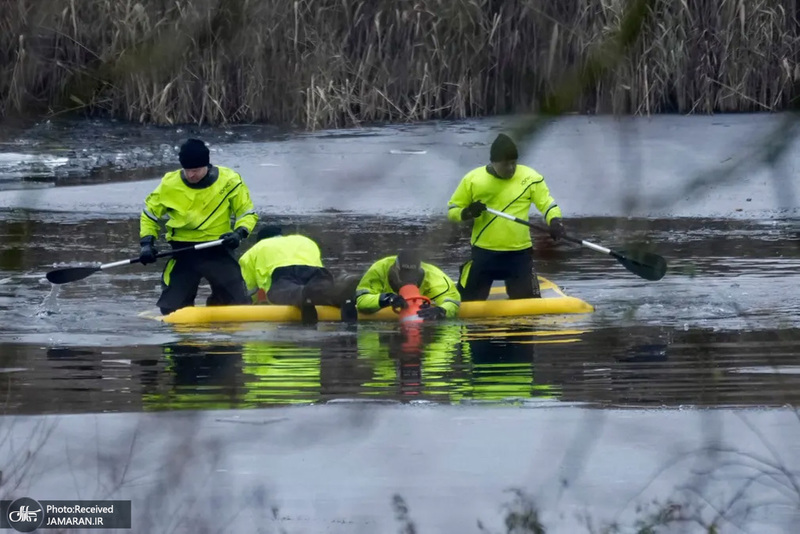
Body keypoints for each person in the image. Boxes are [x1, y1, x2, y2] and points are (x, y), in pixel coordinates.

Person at [138, 138, 258, 315]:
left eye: (195, 170)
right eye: (187, 170)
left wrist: (239, 233)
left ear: (207, 166)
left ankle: (219, 304)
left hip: (218, 249)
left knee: (239, 306)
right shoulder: (169, 184)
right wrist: (147, 244)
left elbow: (246, 213)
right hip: (184, 252)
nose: (191, 175)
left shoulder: (229, 181)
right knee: (170, 309)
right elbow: (149, 216)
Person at [446, 133, 566, 301]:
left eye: (513, 163)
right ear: (494, 162)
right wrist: (467, 212)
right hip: (483, 255)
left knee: (529, 306)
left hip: (519, 255)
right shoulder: (473, 179)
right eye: (505, 164)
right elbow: (452, 210)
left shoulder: (531, 178)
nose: (511, 168)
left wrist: (555, 221)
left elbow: (547, 204)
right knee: (465, 302)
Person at [238, 225, 339, 324]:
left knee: (287, 291)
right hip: (315, 271)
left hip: (282, 273)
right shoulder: (304, 240)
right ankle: (341, 292)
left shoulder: (257, 248)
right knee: (322, 287)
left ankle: (303, 295)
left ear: (260, 240)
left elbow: (246, 290)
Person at [354, 250, 461, 321]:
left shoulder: (436, 278)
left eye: (412, 274)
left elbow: (452, 300)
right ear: (395, 269)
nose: (408, 278)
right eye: (404, 273)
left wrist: (440, 310)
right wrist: (386, 299)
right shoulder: (379, 270)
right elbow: (362, 300)